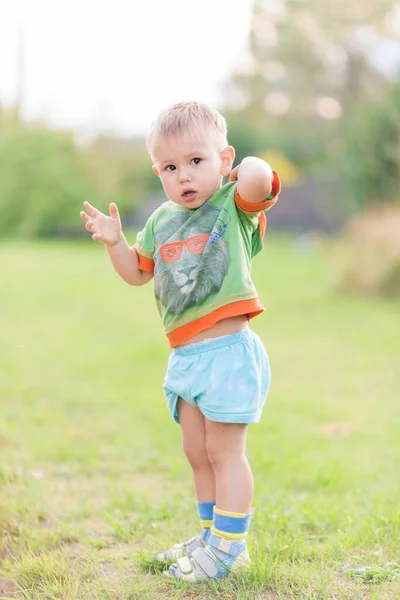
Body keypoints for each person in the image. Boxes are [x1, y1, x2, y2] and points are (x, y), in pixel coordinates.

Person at [80, 101, 281, 583]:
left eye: (196, 161)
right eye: (171, 167)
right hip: (186, 356)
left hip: (228, 354)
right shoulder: (161, 221)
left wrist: (241, 168)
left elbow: (260, 181)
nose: (184, 176)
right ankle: (212, 537)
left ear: (223, 159)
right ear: (159, 172)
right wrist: (115, 243)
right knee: (196, 452)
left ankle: (231, 550)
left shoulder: (232, 206)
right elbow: (136, 272)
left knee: (224, 452)